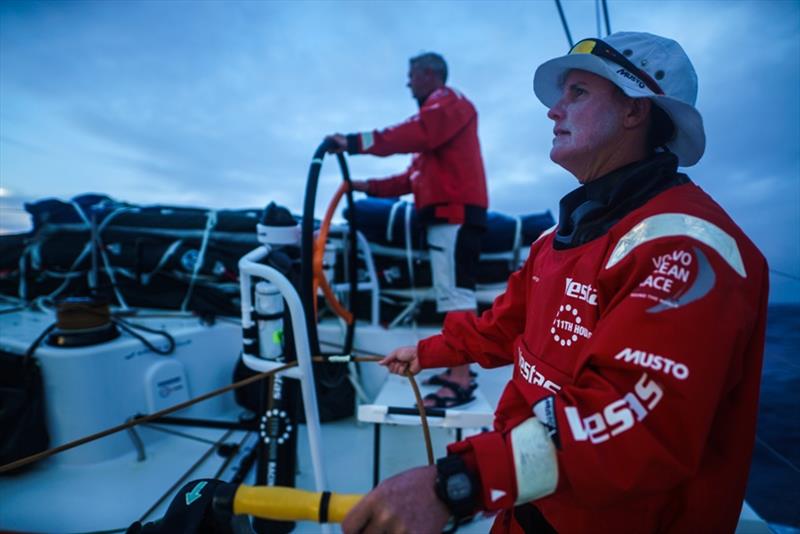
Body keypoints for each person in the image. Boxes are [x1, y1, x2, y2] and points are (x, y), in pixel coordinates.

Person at [342, 32, 769, 534]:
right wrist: (427, 352)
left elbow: (632, 420)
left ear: (635, 110)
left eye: (578, 93)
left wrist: (458, 484)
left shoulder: (690, 250)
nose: (553, 110)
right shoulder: (557, 238)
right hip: (523, 508)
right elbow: (502, 327)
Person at [327, 52, 489, 408]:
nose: (407, 82)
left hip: (455, 217)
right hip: (446, 218)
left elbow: (414, 133)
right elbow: (409, 179)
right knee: (452, 297)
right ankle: (456, 367)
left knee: (457, 298)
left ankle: (460, 380)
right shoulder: (436, 133)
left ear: (430, 73)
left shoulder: (447, 103)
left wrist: (353, 142)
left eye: (412, 75)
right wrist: (365, 186)